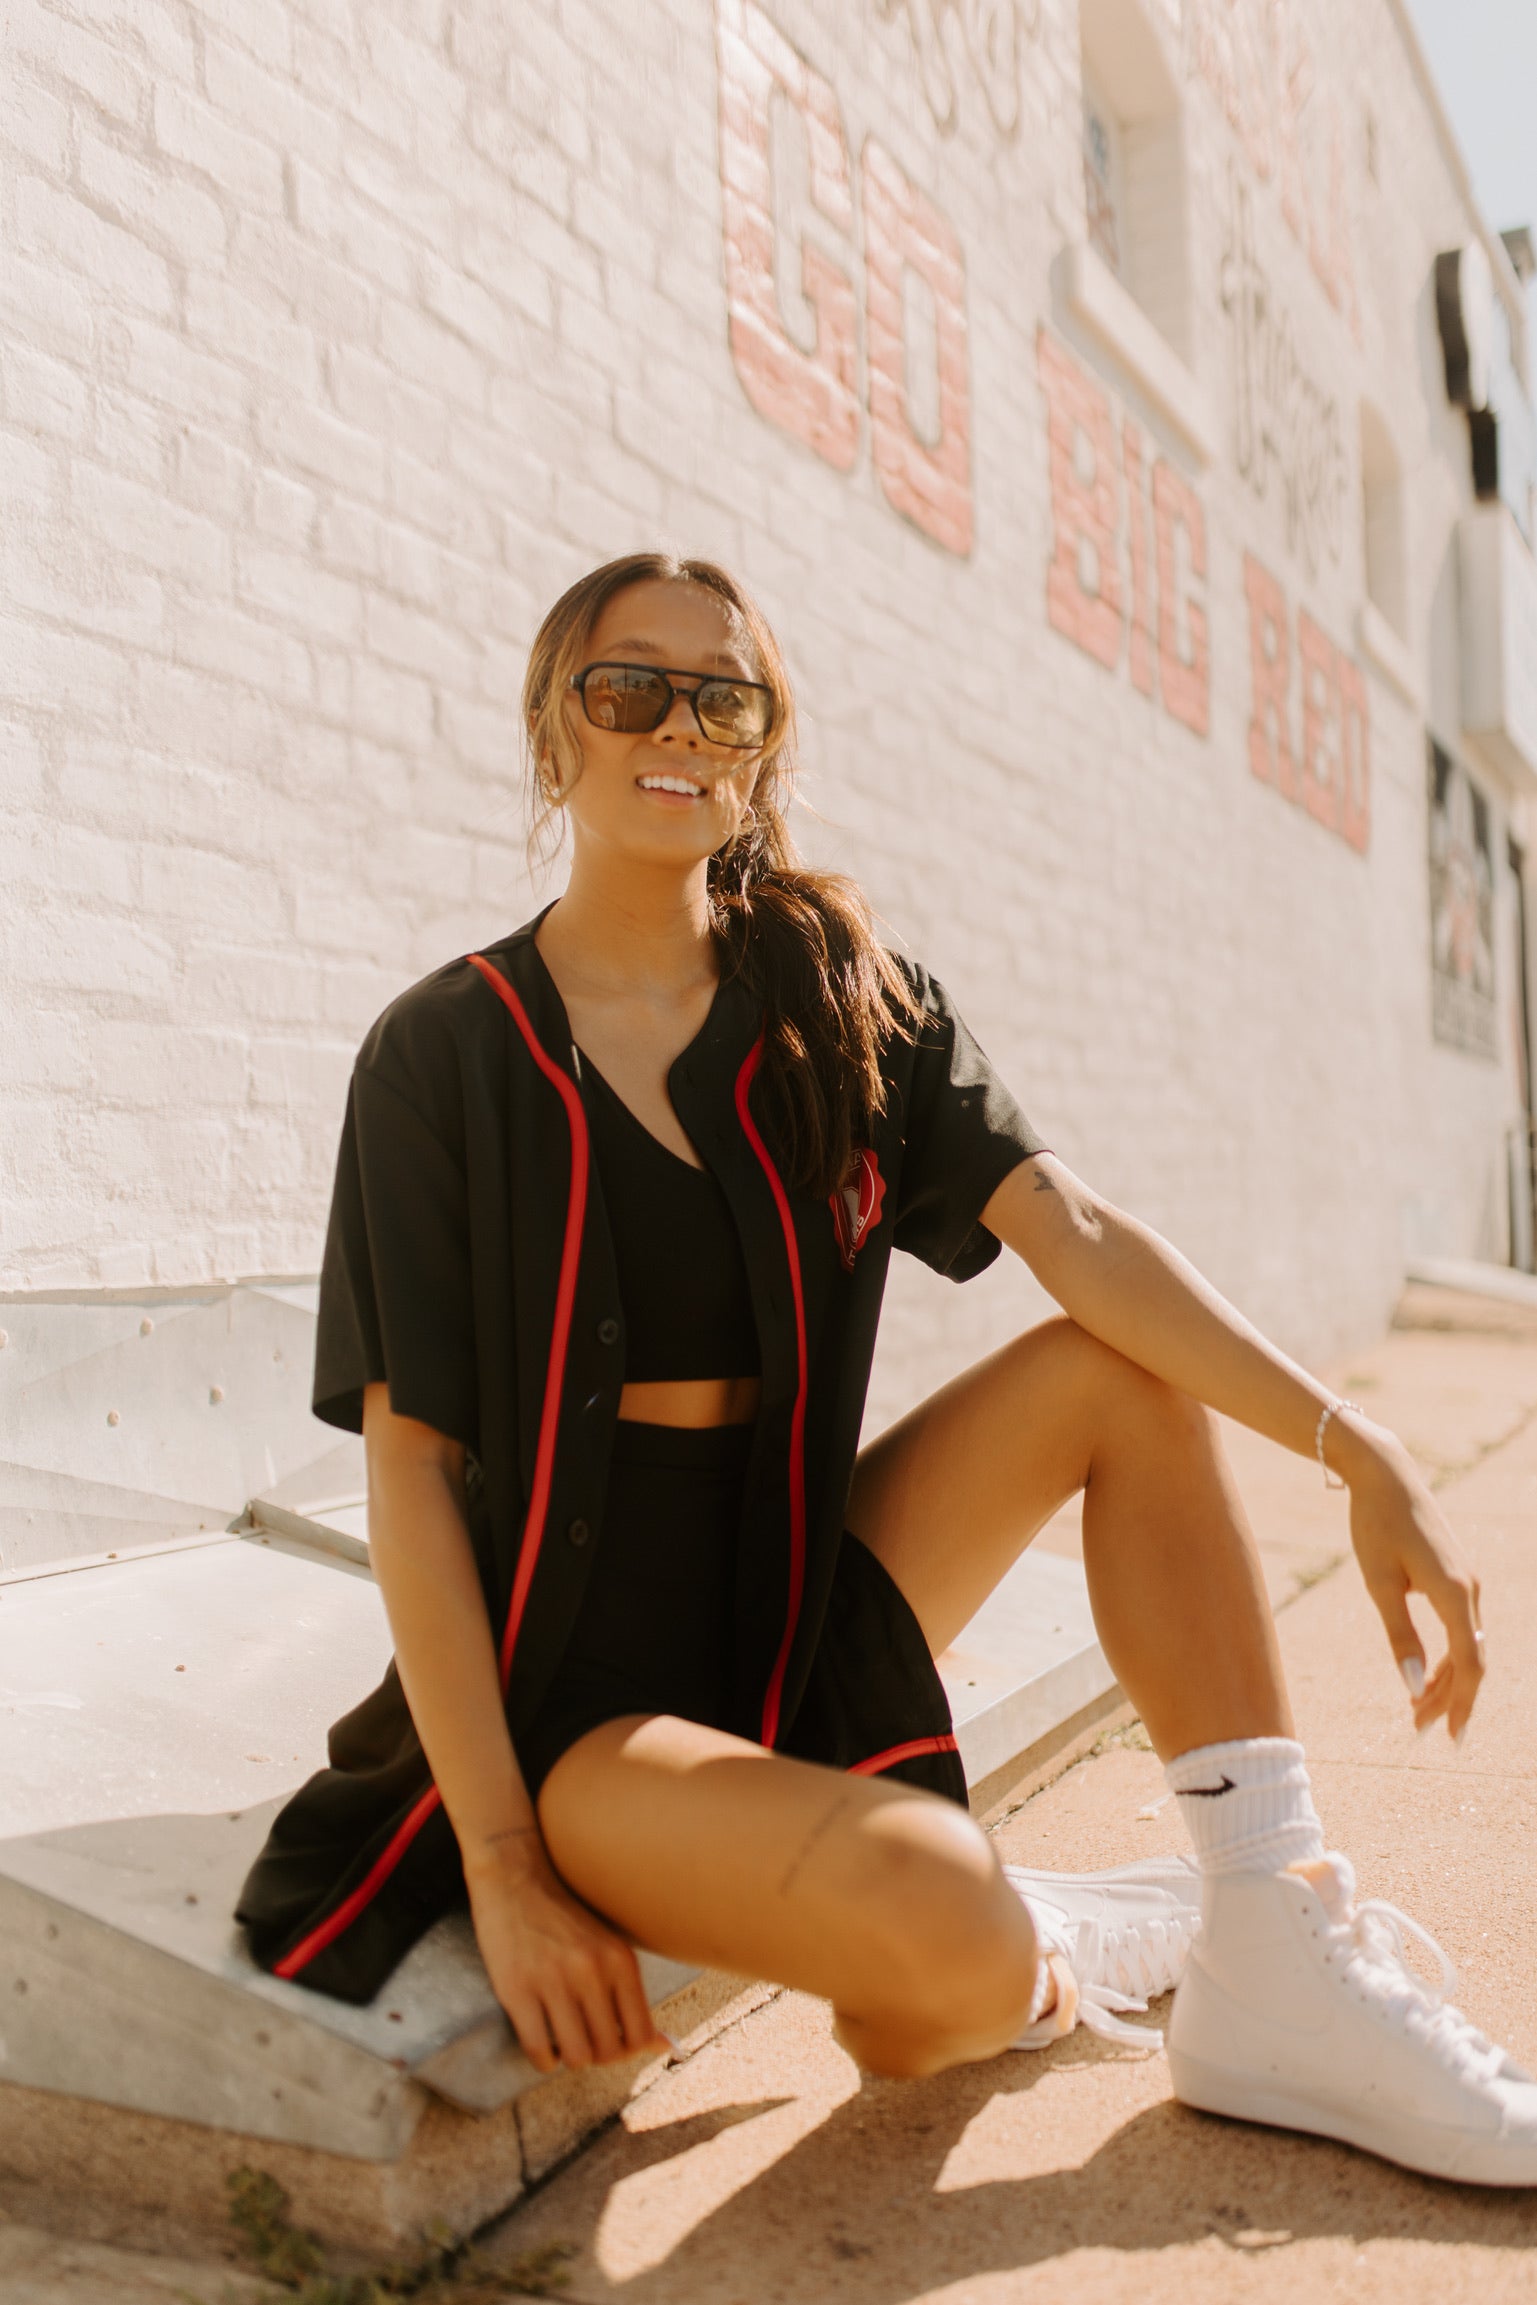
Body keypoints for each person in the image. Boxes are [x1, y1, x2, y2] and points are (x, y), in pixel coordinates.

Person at [239, 553, 1535, 2187]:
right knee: (944, 1949)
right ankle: (1013, 1940)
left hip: (796, 1607)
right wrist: (501, 1857)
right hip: (583, 1704)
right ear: (548, 725)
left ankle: (1269, 1939)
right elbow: (412, 1470)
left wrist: (1355, 1447)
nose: (677, 724)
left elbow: (1074, 1231)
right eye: (626, 684)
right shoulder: (442, 1052)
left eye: (726, 695)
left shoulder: (837, 1000)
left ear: (762, 744)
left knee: (1110, 1373)